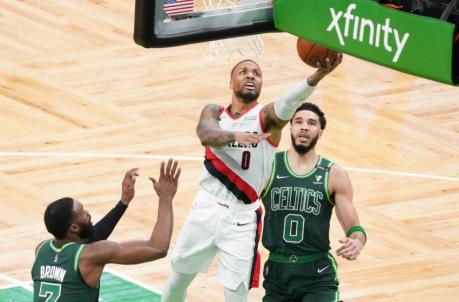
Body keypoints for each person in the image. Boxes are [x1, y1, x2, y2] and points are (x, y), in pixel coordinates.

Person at [161, 55, 342, 302]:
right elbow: (205, 134)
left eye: (256, 73)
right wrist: (235, 136)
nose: (250, 75)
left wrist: (316, 76)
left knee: (236, 295)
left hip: (242, 217)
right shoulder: (214, 112)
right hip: (206, 206)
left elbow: (288, 103)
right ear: (231, 81)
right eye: (243, 71)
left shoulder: (265, 118)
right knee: (177, 281)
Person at [31, 159, 181, 302]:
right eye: (83, 211)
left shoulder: (42, 249)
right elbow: (157, 248)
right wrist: (165, 198)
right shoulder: (92, 255)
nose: (88, 212)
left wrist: (123, 203)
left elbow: (89, 240)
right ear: (74, 228)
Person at [261, 102, 366, 302]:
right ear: (290, 128)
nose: (304, 127)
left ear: (320, 132)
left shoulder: (334, 174)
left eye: (311, 123)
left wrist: (357, 241)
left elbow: (354, 228)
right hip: (277, 271)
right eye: (298, 122)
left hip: (317, 273)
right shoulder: (268, 167)